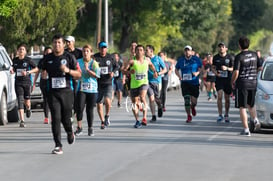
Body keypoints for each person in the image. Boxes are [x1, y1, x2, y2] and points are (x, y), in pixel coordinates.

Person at [41, 34, 81, 154]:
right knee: (56, 118)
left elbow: (79, 74)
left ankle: (70, 131)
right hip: (53, 93)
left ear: (63, 44)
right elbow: (40, 68)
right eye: (54, 42)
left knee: (66, 118)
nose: (56, 45)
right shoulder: (48, 58)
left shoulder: (69, 57)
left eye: (59, 42)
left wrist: (68, 70)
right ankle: (58, 145)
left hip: (67, 92)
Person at [231, 36, 262, 136]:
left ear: (239, 45)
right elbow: (260, 67)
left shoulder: (239, 57)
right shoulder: (254, 54)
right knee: (251, 104)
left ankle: (246, 130)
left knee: (242, 107)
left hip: (242, 84)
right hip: (253, 83)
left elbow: (236, 72)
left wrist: (232, 81)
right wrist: (252, 73)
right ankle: (255, 119)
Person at [123, 45, 157, 128]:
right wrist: (129, 72)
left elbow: (152, 66)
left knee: (142, 97)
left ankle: (144, 118)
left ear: (143, 52)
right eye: (137, 50)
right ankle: (137, 120)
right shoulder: (132, 61)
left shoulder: (147, 60)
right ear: (135, 51)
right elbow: (123, 71)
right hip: (134, 84)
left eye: (141, 50)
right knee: (134, 103)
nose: (139, 51)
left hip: (144, 83)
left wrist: (155, 71)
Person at [74, 44, 100, 136]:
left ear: (91, 53)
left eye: (87, 51)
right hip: (81, 88)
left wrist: (88, 70)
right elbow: (75, 73)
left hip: (92, 89)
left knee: (89, 109)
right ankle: (79, 127)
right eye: (84, 51)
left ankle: (90, 128)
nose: (85, 53)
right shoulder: (77, 62)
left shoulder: (94, 63)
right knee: (79, 108)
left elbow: (97, 76)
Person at [10, 43, 38, 127]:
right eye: (20, 49)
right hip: (18, 83)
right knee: (20, 100)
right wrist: (12, 71)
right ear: (17, 51)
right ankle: (22, 120)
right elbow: (13, 69)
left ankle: (28, 109)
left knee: (27, 101)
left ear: (25, 51)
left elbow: (36, 69)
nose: (21, 51)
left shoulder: (28, 60)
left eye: (23, 49)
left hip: (27, 82)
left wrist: (28, 72)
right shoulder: (15, 60)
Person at [175, 45, 202, 123]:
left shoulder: (196, 59)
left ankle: (193, 107)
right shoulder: (181, 60)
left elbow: (201, 68)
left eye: (188, 50)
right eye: (186, 50)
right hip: (185, 82)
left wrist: (197, 73)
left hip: (194, 82)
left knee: (194, 102)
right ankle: (188, 115)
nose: (187, 52)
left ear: (191, 51)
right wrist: (179, 76)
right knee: (186, 100)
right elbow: (176, 69)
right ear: (184, 52)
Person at [94, 41, 118, 129]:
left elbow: (117, 66)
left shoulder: (110, 57)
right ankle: (102, 121)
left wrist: (113, 72)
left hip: (108, 82)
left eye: (104, 47)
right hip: (98, 83)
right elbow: (91, 66)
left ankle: (107, 115)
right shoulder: (95, 57)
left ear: (106, 48)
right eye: (101, 47)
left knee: (108, 101)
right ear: (99, 48)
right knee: (99, 103)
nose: (103, 49)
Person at [212, 42, 234, 123]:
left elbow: (233, 68)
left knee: (227, 99)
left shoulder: (230, 57)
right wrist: (215, 73)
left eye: (222, 47)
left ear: (226, 48)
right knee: (220, 97)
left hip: (228, 80)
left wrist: (227, 68)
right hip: (219, 80)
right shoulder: (215, 57)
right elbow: (213, 67)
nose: (221, 48)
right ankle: (220, 114)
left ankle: (226, 114)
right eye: (220, 47)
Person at [145, 45, 166, 122]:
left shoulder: (158, 58)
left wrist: (159, 73)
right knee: (151, 98)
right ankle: (153, 115)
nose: (145, 52)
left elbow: (165, 69)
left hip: (156, 81)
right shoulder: (145, 59)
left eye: (146, 50)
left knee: (157, 98)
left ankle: (160, 106)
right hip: (147, 81)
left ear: (151, 51)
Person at [33, 46, 52, 124]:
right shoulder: (42, 61)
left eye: (49, 52)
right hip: (43, 81)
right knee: (46, 99)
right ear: (44, 53)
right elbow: (37, 71)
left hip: (51, 81)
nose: (48, 54)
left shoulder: (54, 60)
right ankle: (46, 117)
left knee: (52, 99)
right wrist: (34, 82)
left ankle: (53, 116)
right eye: (46, 52)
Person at [64, 35, 83, 116]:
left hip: (77, 76)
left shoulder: (79, 53)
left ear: (73, 42)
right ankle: (69, 110)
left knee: (76, 94)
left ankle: (76, 110)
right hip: (67, 76)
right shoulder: (64, 52)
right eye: (66, 42)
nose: (67, 43)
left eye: (69, 42)